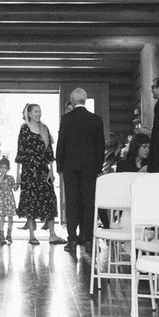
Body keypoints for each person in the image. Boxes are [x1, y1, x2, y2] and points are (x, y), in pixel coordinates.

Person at [56, 86, 107, 252]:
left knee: (72, 202)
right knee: (89, 202)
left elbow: (61, 143)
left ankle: (72, 240)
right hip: (90, 167)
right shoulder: (96, 119)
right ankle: (89, 240)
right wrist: (99, 167)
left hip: (70, 166)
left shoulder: (66, 119)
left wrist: (59, 165)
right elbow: (100, 146)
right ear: (84, 100)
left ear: (72, 101)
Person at [15, 102, 59, 244]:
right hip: (28, 171)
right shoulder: (24, 129)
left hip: (43, 170)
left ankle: (52, 234)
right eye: (35, 111)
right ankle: (32, 236)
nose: (38, 114)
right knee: (30, 201)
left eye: (39, 111)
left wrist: (51, 171)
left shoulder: (44, 128)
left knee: (49, 200)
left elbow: (49, 151)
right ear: (29, 113)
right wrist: (18, 174)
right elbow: (20, 152)